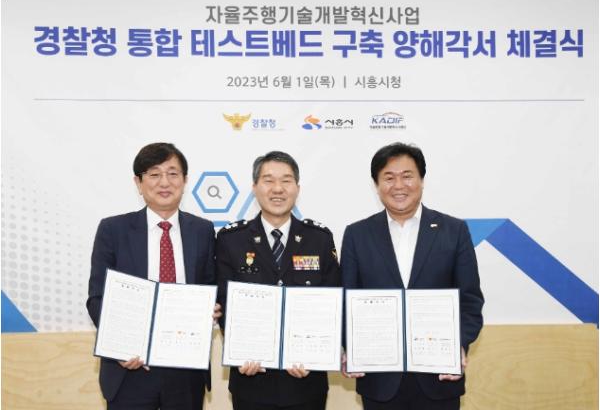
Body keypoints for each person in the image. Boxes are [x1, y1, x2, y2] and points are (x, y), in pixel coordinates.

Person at [340, 142, 484, 410]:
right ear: (376, 185)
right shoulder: (357, 235)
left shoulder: (454, 231)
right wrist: (350, 346)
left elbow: (470, 300)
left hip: (439, 376)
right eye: (388, 178)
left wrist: (458, 343)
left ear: (421, 180)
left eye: (407, 176)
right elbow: (346, 301)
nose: (398, 185)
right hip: (379, 379)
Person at [86, 142, 220, 410]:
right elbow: (97, 299)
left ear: (185, 180)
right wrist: (121, 346)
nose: (164, 182)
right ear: (138, 182)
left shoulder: (203, 230)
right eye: (154, 174)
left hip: (185, 369)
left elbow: (210, 287)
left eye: (173, 173)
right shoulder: (113, 230)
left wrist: (213, 309)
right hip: (130, 368)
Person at [216, 151, 341, 410]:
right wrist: (239, 352)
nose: (277, 189)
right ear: (254, 188)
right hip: (251, 381)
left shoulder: (319, 238)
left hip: (306, 382)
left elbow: (333, 302)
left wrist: (316, 356)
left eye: (286, 180)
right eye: (268, 180)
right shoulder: (231, 239)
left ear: (297, 188)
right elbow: (224, 302)